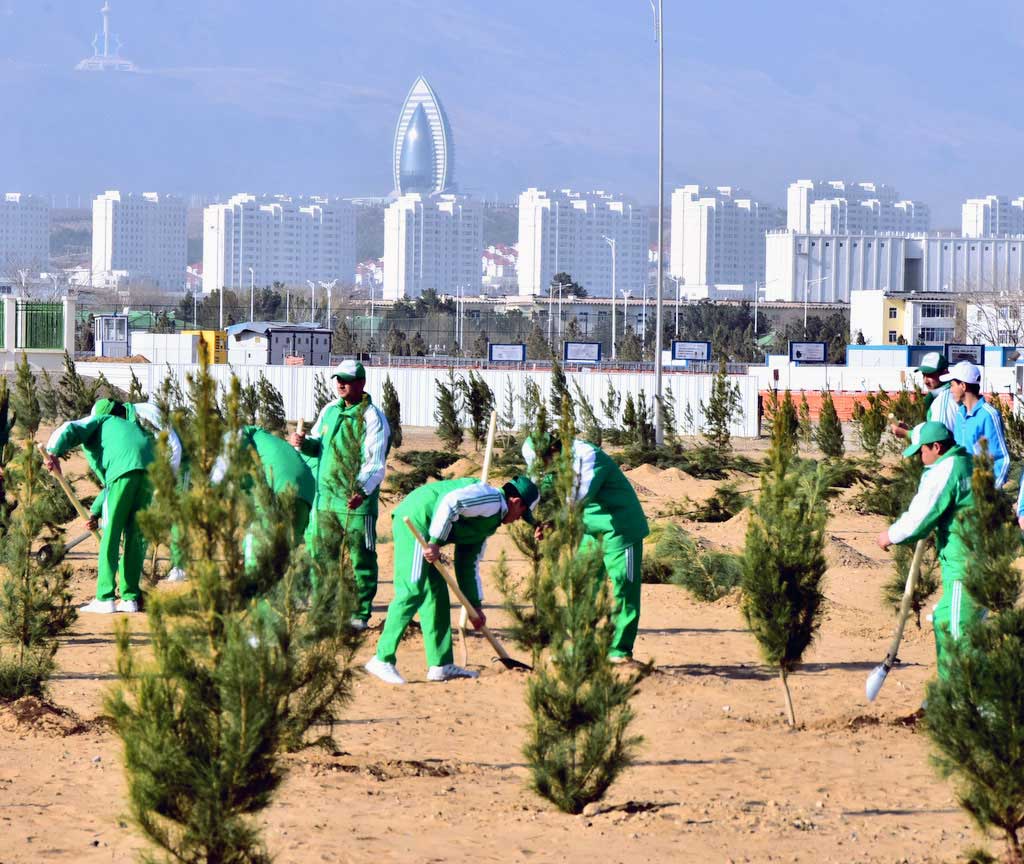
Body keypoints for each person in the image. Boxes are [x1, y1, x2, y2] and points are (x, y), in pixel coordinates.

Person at [364, 475, 539, 685]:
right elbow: (451, 502)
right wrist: (436, 542)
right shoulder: (490, 499)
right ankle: (381, 659)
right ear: (516, 502)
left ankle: (441, 665)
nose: (519, 519)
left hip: (430, 535)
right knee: (412, 589)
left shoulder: (488, 524)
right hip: (417, 521)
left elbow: (467, 564)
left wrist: (475, 606)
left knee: (436, 596)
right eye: (522, 513)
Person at [522, 433, 649, 663]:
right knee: (582, 586)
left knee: (624, 585)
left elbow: (577, 499)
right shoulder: (551, 461)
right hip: (589, 530)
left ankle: (619, 651)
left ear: (552, 450)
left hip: (621, 528)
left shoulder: (587, 456)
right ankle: (581, 646)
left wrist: (556, 521)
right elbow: (545, 489)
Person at [290, 360, 390, 629]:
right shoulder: (329, 411)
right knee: (322, 556)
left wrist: (361, 490)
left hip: (357, 503)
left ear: (361, 384)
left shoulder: (373, 418)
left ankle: (359, 614)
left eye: (346, 379)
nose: (340, 384)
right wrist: (303, 444)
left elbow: (375, 463)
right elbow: (317, 446)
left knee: (362, 557)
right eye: (338, 379)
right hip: (326, 501)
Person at [877, 421, 978, 682]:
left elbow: (920, 518)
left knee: (958, 632)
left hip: (964, 561)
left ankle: (965, 704)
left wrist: (889, 536)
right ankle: (945, 698)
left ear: (936, 447)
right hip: (973, 555)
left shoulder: (946, 469)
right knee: (946, 620)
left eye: (921, 451)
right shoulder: (967, 461)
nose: (920, 458)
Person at [43, 399, 155, 613]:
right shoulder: (131, 426)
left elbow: (70, 427)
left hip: (123, 475)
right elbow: (118, 482)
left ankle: (105, 597)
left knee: (111, 534)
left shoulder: (101, 420)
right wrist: (95, 512)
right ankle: (130, 597)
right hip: (150, 474)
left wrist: (52, 452)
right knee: (136, 536)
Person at [212, 425, 316, 569]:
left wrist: (211, 490)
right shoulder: (264, 440)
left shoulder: (240, 434)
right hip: (306, 491)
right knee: (281, 558)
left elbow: (222, 470)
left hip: (279, 487)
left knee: (256, 554)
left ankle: (252, 585)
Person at [941, 360, 1010, 487]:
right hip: (963, 493)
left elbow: (1002, 459)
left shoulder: (989, 415)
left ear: (963, 385)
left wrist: (989, 495)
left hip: (981, 495)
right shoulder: (960, 414)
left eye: (952, 385)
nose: (950, 390)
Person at [890, 351, 958, 438]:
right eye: (923, 375)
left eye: (930, 375)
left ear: (945, 373)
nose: (925, 381)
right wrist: (908, 431)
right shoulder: (936, 396)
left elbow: (938, 438)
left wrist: (907, 433)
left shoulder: (944, 401)